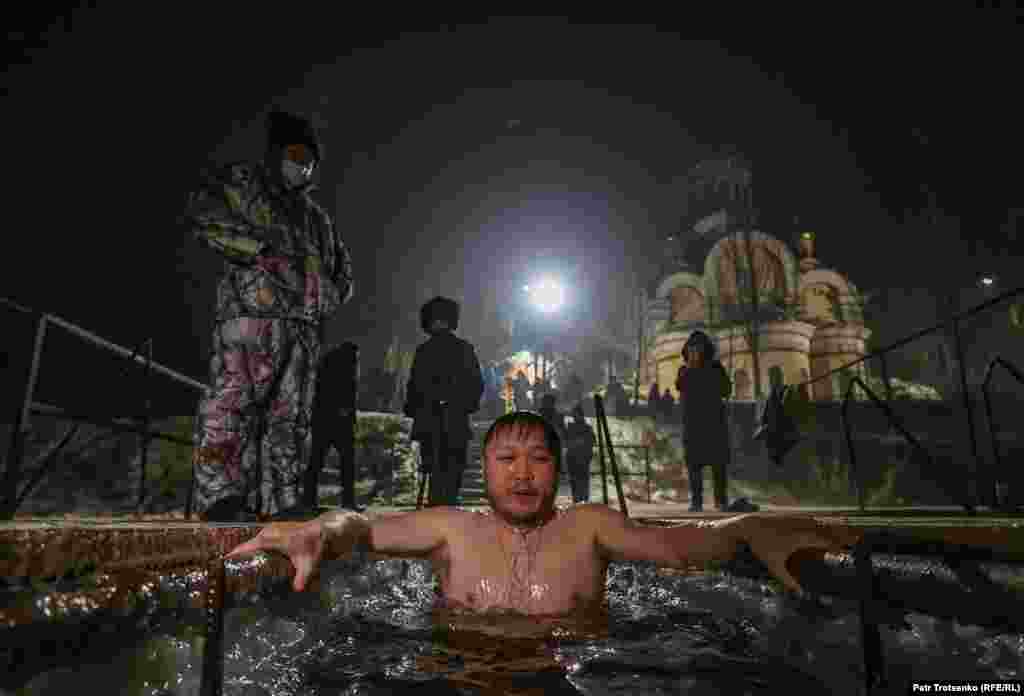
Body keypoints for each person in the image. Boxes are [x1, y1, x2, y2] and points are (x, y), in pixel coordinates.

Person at [225, 409, 859, 620]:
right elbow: (358, 525)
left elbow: (679, 547)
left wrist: (745, 528)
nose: (523, 474)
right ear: (486, 465)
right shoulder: (452, 528)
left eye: (538, 459)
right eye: (506, 459)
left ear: (558, 469)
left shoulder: (588, 527)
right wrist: (316, 529)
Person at [185, 109, 353, 522]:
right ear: (276, 153)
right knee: (232, 405)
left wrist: (329, 294)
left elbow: (342, 271)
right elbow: (202, 213)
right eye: (296, 155)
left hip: (300, 332)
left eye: (311, 159)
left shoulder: (316, 219)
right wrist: (254, 251)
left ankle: (284, 500)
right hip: (250, 319)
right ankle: (221, 497)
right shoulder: (245, 184)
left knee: (291, 418)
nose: (304, 165)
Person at [403, 297, 484, 507]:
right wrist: (463, 406)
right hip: (455, 420)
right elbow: (476, 384)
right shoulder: (464, 349)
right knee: (452, 475)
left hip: (430, 421)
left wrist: (416, 410)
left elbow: (413, 388)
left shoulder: (423, 351)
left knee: (433, 474)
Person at [675, 331, 732, 512]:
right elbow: (680, 385)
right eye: (691, 349)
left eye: (697, 349)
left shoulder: (716, 368)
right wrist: (691, 368)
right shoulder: (684, 370)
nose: (694, 352)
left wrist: (708, 375)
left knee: (718, 465)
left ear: (705, 350)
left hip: (714, 424)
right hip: (693, 426)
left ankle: (721, 501)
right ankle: (696, 501)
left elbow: (726, 389)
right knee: (694, 466)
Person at [308, 342, 359, 511]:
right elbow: (348, 397)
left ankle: (308, 500)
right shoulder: (347, 371)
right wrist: (346, 413)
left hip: (323, 421)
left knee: (316, 460)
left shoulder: (327, 367)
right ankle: (348, 501)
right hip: (339, 423)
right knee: (346, 463)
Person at [565, 404, 596, 503]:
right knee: (578, 481)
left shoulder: (579, 427)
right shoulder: (575, 427)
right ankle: (580, 500)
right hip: (577, 458)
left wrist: (578, 442)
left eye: (575, 415)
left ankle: (581, 500)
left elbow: (591, 441)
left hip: (579, 458)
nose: (574, 417)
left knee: (580, 481)